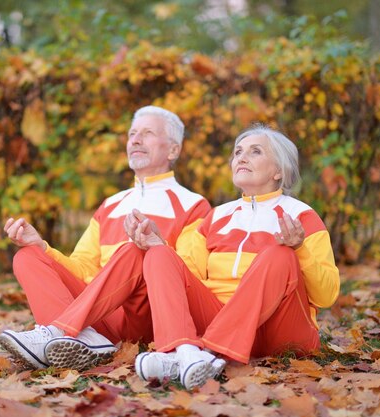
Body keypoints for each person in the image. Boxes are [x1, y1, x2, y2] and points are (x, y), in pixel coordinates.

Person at [0, 105, 211, 371]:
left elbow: (188, 276)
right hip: (99, 314)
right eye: (132, 133)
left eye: (147, 133)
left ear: (173, 150)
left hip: (148, 316)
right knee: (27, 257)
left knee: (133, 251)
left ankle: (62, 331)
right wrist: (42, 247)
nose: (135, 139)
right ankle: (85, 338)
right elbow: (83, 268)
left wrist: (156, 247)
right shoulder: (110, 204)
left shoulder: (193, 205)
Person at [127, 124, 340, 389]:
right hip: (218, 318)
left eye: (255, 151)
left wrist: (300, 250)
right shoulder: (216, 216)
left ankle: (210, 352)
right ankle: (179, 351)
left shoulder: (302, 216)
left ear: (278, 171)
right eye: (238, 152)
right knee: (158, 254)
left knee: (279, 254)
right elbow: (187, 276)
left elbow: (326, 296)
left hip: (282, 332)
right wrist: (160, 246)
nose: (241, 157)